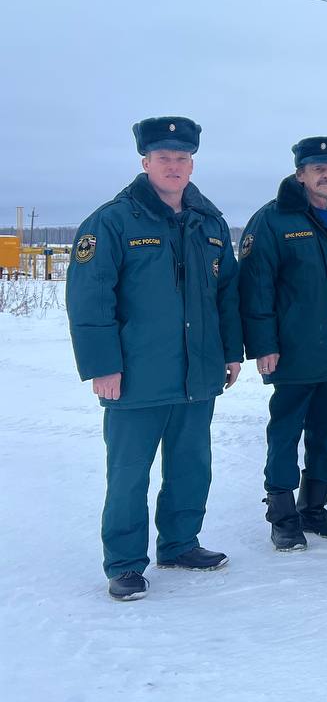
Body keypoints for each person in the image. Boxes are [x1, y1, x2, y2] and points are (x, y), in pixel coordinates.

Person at [67, 117, 242, 601]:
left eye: (182, 158)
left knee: (192, 465)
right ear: (145, 163)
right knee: (128, 474)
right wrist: (102, 364)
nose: (174, 165)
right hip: (136, 375)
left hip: (197, 372)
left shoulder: (209, 221)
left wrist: (230, 352)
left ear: (192, 164)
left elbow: (226, 293)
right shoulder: (113, 221)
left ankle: (180, 543)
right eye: (164, 157)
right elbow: (90, 298)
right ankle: (124, 563)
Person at [239, 136, 327, 550]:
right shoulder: (273, 220)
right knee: (285, 431)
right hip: (293, 351)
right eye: (318, 168)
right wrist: (264, 345)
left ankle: (314, 508)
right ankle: (282, 515)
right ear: (300, 174)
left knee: (325, 429)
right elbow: (255, 288)